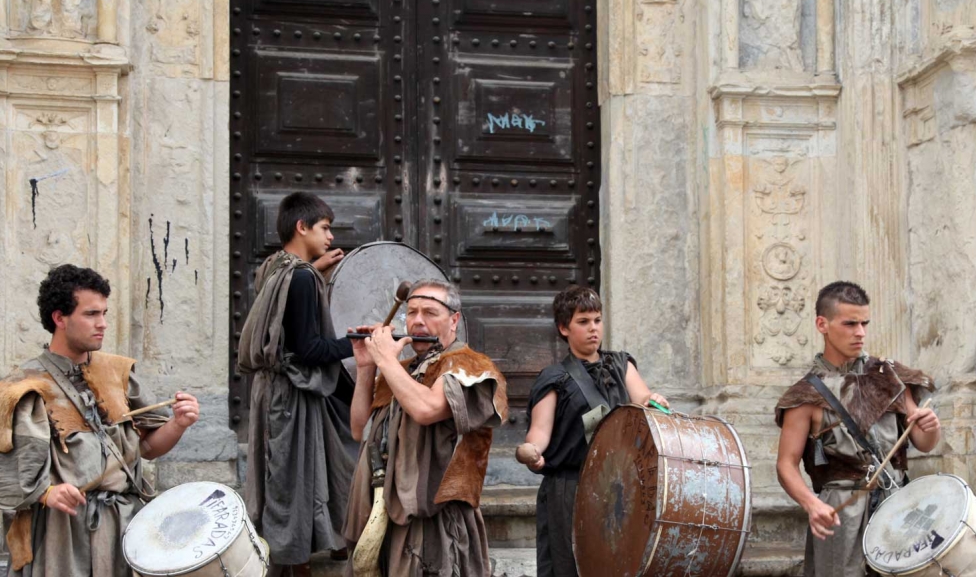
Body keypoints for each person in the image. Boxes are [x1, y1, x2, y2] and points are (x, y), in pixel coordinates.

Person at [0, 264, 200, 576]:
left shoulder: (118, 375)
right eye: (91, 314)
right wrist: (47, 493)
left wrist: (178, 424)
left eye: (104, 313)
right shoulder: (20, 389)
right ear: (59, 318)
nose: (103, 324)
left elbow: (146, 447)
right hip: (62, 534)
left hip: (124, 527)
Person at [342, 280, 508, 576]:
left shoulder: (469, 366)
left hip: (440, 524)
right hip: (386, 517)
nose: (417, 321)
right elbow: (358, 429)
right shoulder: (400, 370)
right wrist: (367, 366)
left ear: (454, 320)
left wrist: (386, 361)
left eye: (430, 312)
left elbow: (426, 409)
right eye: (412, 312)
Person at [775, 281, 941, 577]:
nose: (860, 332)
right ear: (822, 324)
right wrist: (811, 504)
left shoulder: (890, 377)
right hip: (841, 512)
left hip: (896, 505)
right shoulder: (805, 396)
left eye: (864, 323)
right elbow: (786, 464)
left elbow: (924, 442)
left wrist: (930, 426)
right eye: (850, 323)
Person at [237, 191, 358, 577]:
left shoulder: (273, 267)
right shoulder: (302, 278)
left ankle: (311, 546)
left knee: (286, 473)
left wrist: (316, 270)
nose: (330, 237)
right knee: (292, 478)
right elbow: (308, 348)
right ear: (301, 227)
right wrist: (357, 342)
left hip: (272, 392)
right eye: (325, 228)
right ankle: (293, 562)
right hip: (291, 394)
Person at [520, 285, 669, 577]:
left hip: (618, 486)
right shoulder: (555, 378)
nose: (593, 329)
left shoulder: (621, 364)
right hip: (570, 488)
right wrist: (533, 452)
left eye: (597, 320)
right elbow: (539, 432)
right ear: (564, 328)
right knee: (571, 568)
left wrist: (654, 402)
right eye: (583, 322)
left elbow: (642, 401)